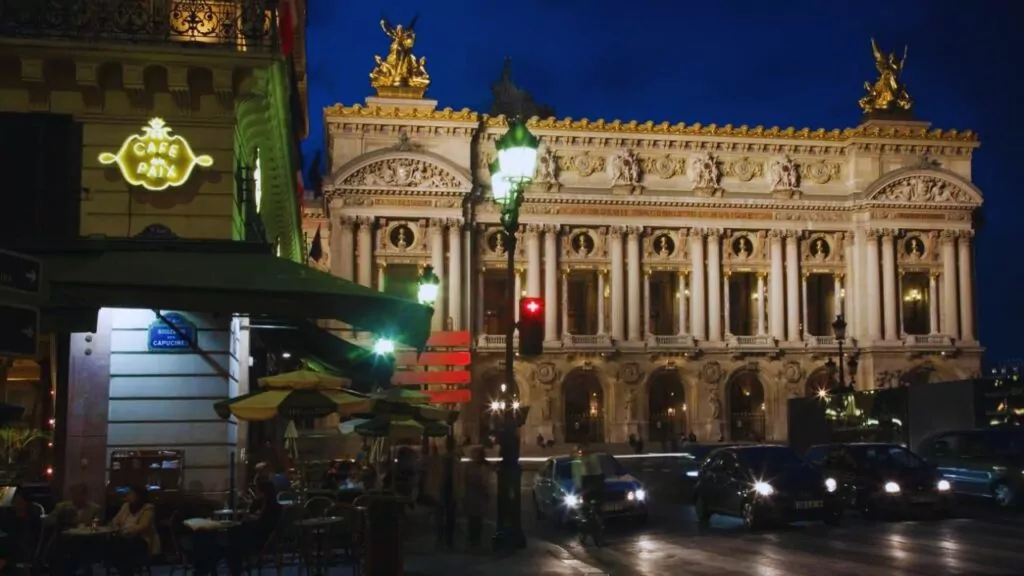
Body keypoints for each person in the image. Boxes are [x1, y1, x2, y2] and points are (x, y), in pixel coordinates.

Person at [109, 485, 160, 575]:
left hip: (142, 541)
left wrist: (124, 530)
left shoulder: (148, 508)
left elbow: (142, 526)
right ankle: (124, 570)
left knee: (126, 545)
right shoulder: (125, 506)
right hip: (123, 538)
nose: (127, 496)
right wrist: (119, 529)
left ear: (139, 496)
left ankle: (126, 571)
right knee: (112, 544)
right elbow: (115, 521)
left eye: (130, 494)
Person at [463, 446, 490, 547]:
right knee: (472, 519)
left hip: (478, 496)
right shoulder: (469, 466)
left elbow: (485, 482)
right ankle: (472, 540)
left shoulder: (482, 467)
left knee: (477, 519)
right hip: (472, 495)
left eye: (475, 454)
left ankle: (476, 540)